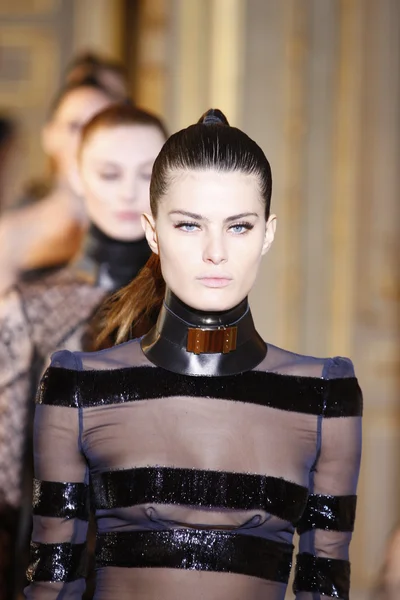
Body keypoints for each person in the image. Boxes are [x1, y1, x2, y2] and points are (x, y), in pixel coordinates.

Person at [25, 109, 363, 600]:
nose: (215, 252)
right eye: (189, 225)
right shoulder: (78, 389)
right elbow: (52, 586)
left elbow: (325, 585)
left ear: (268, 233)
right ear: (153, 231)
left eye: (239, 227)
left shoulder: (323, 397)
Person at [0, 104, 166, 600]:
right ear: (76, 172)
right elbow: (6, 484)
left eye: (146, 173)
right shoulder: (28, 307)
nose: (127, 191)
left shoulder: (197, 303)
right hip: (51, 565)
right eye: (109, 172)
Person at [0, 77, 120, 293]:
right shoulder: (10, 234)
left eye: (97, 125)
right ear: (49, 136)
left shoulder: (141, 232)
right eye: (74, 126)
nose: (84, 138)